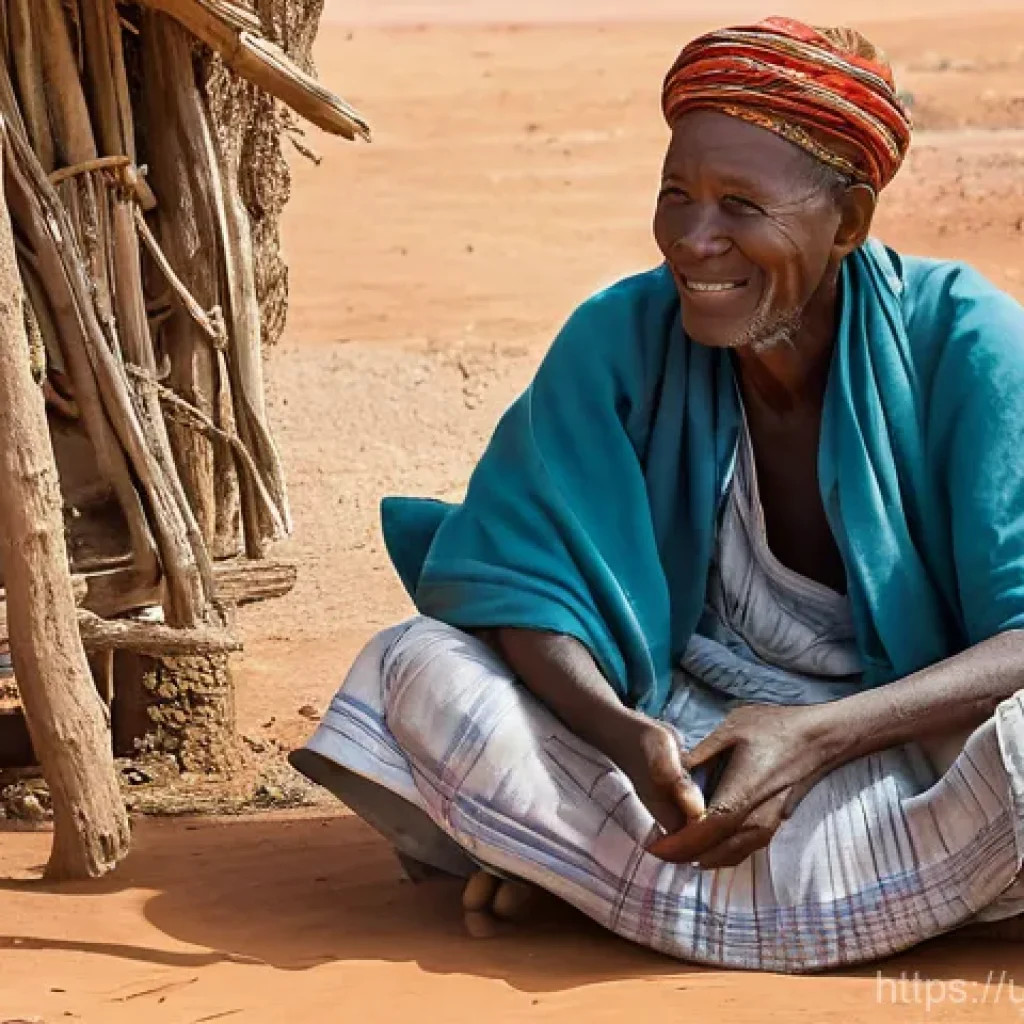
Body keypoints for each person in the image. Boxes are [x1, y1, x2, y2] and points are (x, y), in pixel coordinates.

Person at [292, 17, 1024, 972]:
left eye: (740, 205)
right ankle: (923, 901)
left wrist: (818, 737)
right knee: (415, 666)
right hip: (691, 747)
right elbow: (527, 584)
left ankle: (588, 885)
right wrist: (628, 738)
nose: (695, 239)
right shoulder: (620, 336)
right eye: (675, 195)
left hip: (904, 743)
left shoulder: (968, 341)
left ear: (847, 222)